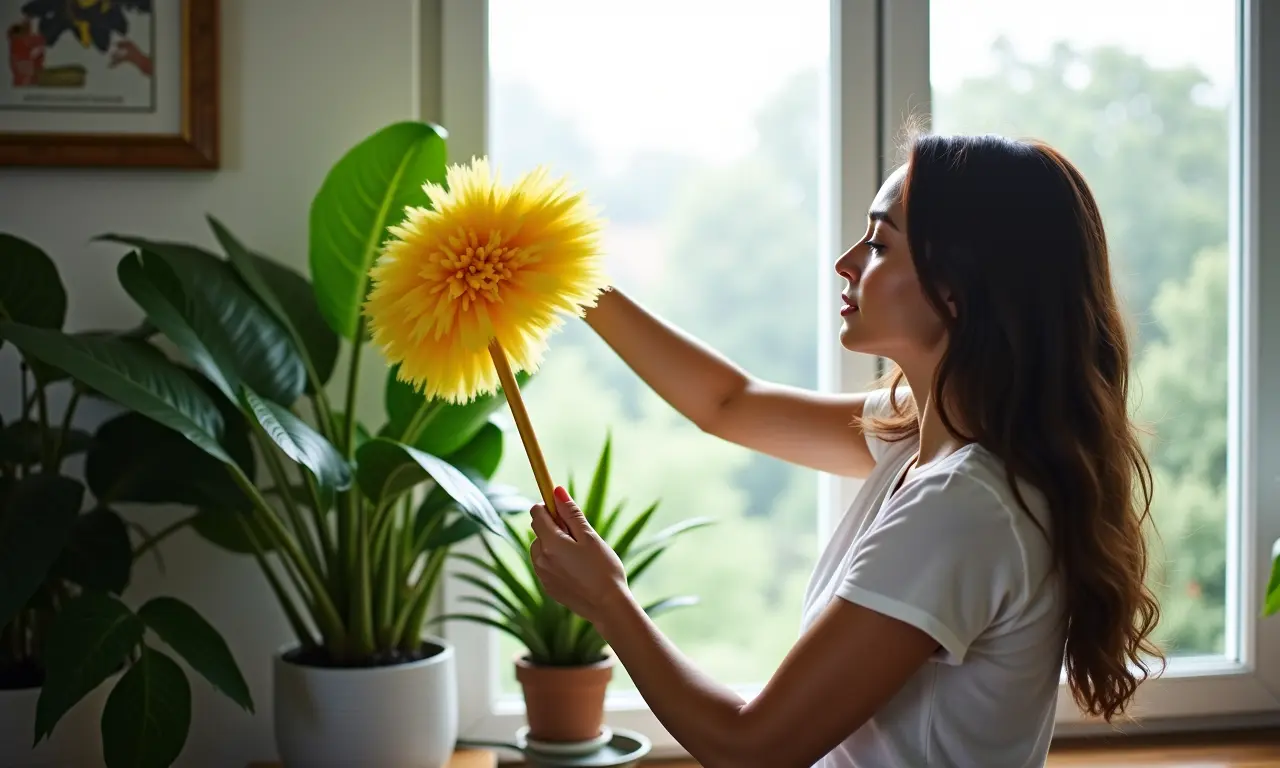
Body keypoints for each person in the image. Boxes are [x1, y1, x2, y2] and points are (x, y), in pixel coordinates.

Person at [526, 132, 1164, 768]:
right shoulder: (920, 438)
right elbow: (728, 403)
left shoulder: (963, 505)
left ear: (957, 288)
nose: (846, 262)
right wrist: (571, 279)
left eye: (880, 244)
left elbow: (752, 747)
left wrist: (608, 601)